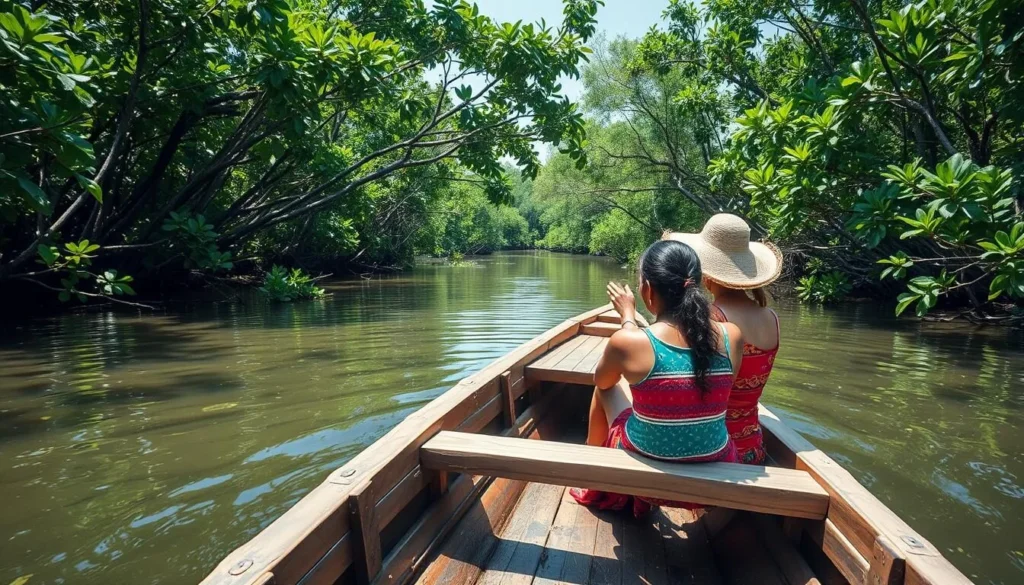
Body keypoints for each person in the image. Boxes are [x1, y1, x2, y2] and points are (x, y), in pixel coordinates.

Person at [572, 240, 743, 515]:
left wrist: (627, 316)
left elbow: (602, 380)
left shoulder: (628, 342)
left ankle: (590, 472)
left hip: (645, 473)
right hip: (718, 462)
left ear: (648, 290)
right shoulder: (731, 334)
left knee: (603, 391)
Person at [664, 214, 783, 464]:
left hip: (713, 448)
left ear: (706, 275)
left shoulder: (710, 319)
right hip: (752, 447)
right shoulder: (771, 317)